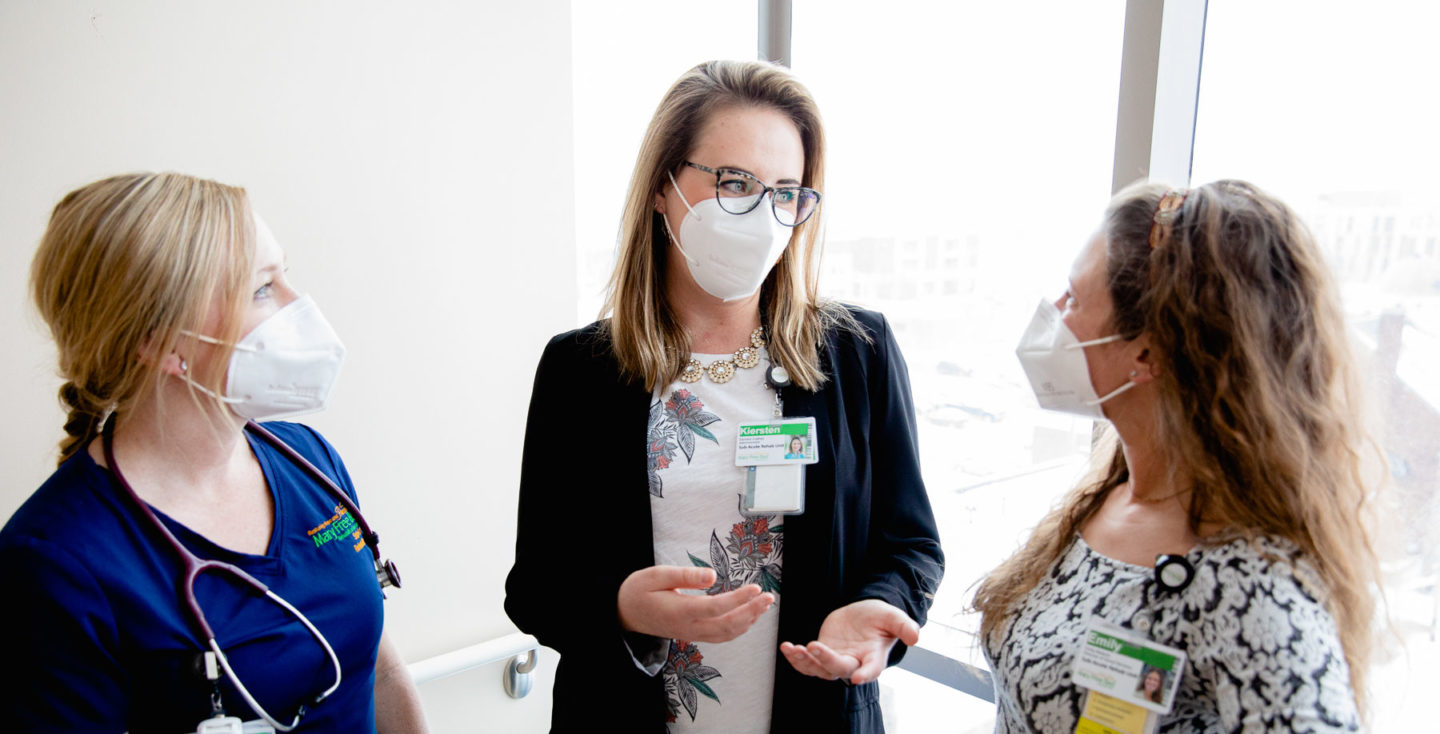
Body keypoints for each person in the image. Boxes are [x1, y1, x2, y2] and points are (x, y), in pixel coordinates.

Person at [504, 60, 944, 733]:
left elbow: (910, 544)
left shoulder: (859, 352)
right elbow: (535, 589)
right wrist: (624, 606)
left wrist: (875, 615)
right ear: (662, 186)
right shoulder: (580, 369)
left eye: (787, 191)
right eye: (734, 182)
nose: (761, 216)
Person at [1, 172, 428, 732]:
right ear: (158, 341)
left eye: (284, 277)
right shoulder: (56, 563)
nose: (297, 307)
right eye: (261, 289)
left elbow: (379, 672)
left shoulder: (309, 462)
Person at [975, 180, 1379, 731]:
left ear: (1148, 350)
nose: (1055, 314)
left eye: (1073, 296)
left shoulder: (1248, 585)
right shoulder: (1107, 497)